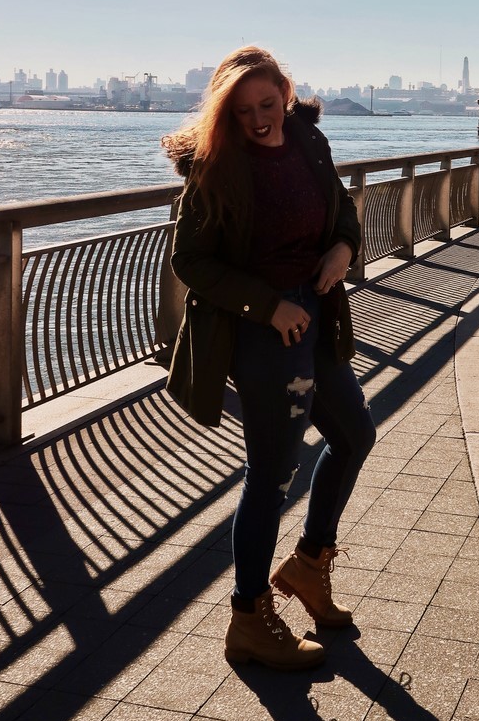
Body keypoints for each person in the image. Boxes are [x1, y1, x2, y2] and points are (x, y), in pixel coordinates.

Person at [161, 46, 376, 672]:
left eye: (268, 102)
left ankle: (310, 566)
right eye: (244, 109)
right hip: (264, 332)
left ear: (286, 90)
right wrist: (267, 305)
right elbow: (192, 261)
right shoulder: (215, 164)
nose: (259, 118)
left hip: (317, 314)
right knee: (272, 475)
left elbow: (340, 212)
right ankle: (249, 618)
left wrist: (342, 249)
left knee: (354, 435)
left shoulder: (309, 140)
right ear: (225, 111)